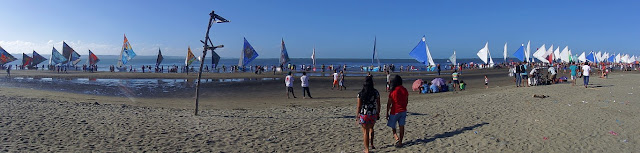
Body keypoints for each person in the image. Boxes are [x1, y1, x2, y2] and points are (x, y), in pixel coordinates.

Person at [356, 76, 381, 153]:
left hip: (364, 114)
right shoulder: (376, 92)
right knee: (371, 128)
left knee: (365, 132)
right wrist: (378, 113)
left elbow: (359, 106)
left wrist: (357, 115)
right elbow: (378, 104)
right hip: (373, 114)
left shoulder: (361, 94)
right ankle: (372, 144)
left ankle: (366, 149)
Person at [386, 75, 408, 148]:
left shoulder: (393, 91)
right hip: (403, 110)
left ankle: (395, 136)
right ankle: (400, 141)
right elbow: (406, 100)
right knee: (401, 126)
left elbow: (389, 103)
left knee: (393, 125)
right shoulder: (404, 89)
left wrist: (387, 112)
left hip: (395, 110)